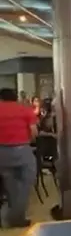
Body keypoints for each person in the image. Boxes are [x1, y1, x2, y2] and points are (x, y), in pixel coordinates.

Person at [0, 88, 38, 228]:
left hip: (2, 153)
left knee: (11, 185)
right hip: (22, 150)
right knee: (26, 183)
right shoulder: (24, 110)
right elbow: (34, 132)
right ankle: (17, 217)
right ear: (16, 97)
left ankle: (8, 215)